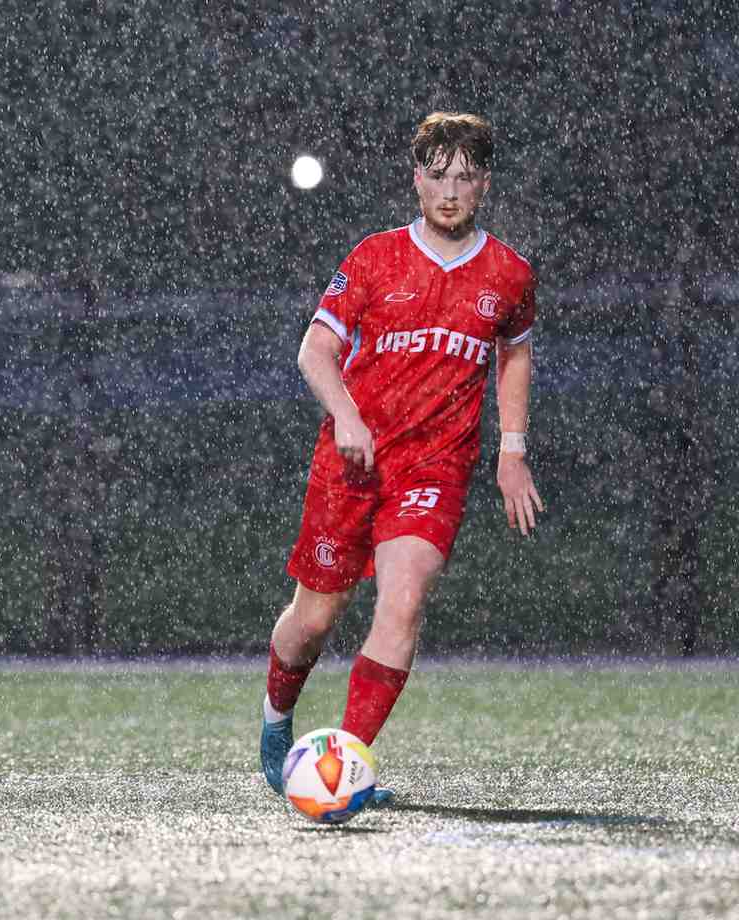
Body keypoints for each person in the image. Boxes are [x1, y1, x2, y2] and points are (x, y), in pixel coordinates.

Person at [260, 112, 544, 805]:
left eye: (465, 177)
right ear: (417, 179)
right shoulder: (375, 257)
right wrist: (348, 416)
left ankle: (345, 765)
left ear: (484, 184)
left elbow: (514, 354)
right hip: (352, 462)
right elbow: (315, 351)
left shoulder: (509, 274)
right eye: (438, 176)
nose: (450, 191)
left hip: (435, 466)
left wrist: (512, 450)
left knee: (405, 598)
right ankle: (275, 722)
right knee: (314, 621)